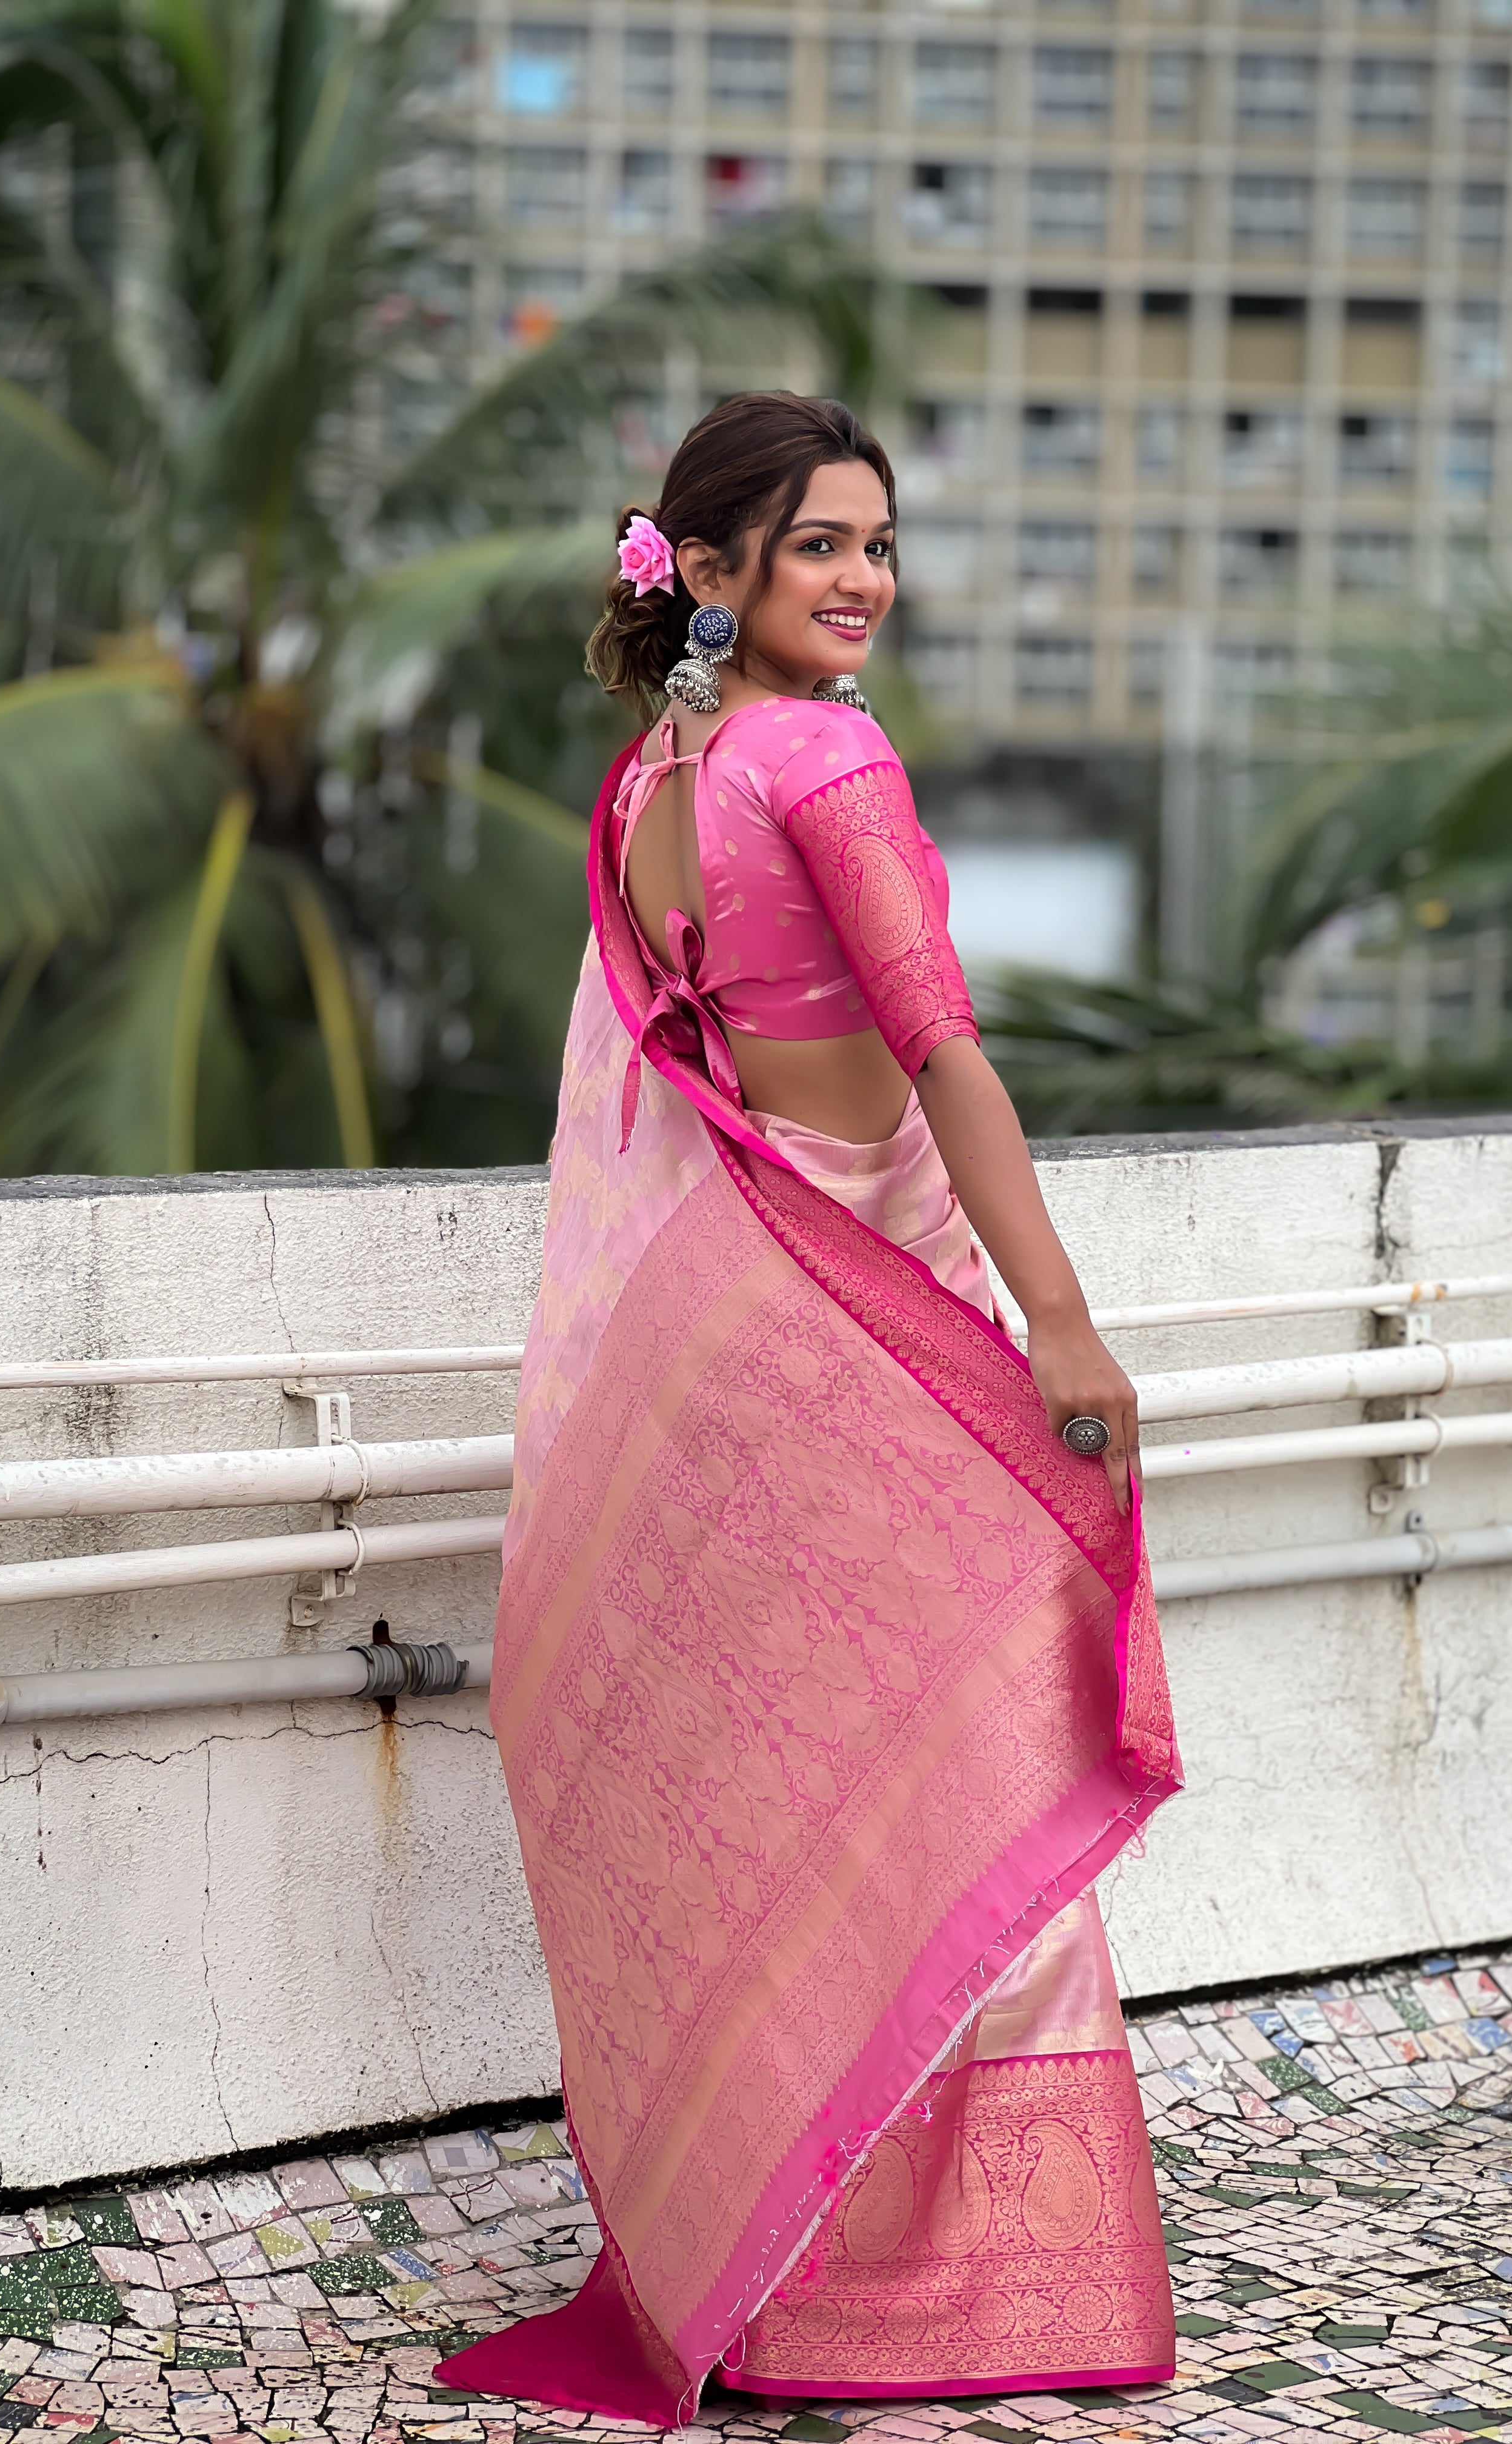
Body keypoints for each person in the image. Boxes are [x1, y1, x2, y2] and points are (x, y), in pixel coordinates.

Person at [437, 393, 1182, 2426]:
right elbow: (943, 1058)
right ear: (717, 566)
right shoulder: (824, 759)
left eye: (878, 543)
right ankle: (941, 2293)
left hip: (736, 1359)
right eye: (824, 544)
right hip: (885, 1329)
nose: (866, 580)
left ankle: (761, 2287)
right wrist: (1064, 1325)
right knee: (982, 1772)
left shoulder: (650, 774)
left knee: (800, 1795)